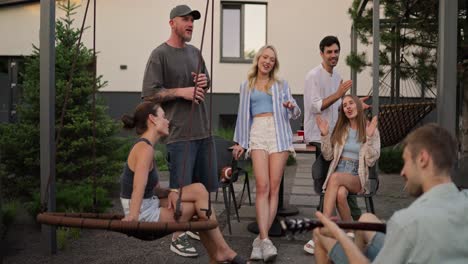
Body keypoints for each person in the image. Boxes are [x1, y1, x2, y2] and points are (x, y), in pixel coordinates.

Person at [313, 123, 468, 264]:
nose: (402, 172)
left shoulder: (406, 222)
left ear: (422, 159)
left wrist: (339, 235)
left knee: (320, 234)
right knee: (366, 218)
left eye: (405, 161)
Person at [120, 101, 248, 264]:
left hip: (148, 203)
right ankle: (222, 252)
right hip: (143, 214)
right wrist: (132, 216)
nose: (168, 121)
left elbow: (155, 190)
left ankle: (219, 254)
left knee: (199, 190)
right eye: (163, 117)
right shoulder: (145, 149)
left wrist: (173, 193)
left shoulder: (145, 147)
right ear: (152, 119)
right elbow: (138, 187)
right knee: (199, 207)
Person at [141, 4, 216, 257]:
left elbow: (205, 82)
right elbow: (149, 94)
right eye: (185, 19)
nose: (191, 24)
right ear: (172, 23)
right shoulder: (159, 54)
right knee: (180, 189)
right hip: (179, 135)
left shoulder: (195, 52)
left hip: (203, 131)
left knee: (202, 189)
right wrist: (181, 92)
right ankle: (177, 236)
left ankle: (192, 226)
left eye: (192, 20)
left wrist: (204, 82)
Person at [231, 45, 301, 262]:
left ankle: (262, 240)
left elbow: (296, 113)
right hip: (258, 132)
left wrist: (291, 106)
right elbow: (244, 115)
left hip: (279, 133)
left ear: (274, 63)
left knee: (274, 186)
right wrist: (240, 142)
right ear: (258, 59)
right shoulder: (247, 85)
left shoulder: (282, 85)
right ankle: (265, 239)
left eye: (272, 59)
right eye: (264, 57)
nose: (268, 61)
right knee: (262, 186)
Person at [303, 36, 367, 253]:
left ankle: (343, 226)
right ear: (321, 53)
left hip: (338, 135)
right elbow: (315, 107)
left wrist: (356, 105)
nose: (334, 55)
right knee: (326, 181)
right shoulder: (313, 75)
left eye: (336, 51)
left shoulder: (338, 75)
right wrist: (339, 94)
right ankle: (342, 225)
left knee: (336, 186)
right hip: (321, 135)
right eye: (329, 52)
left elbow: (342, 106)